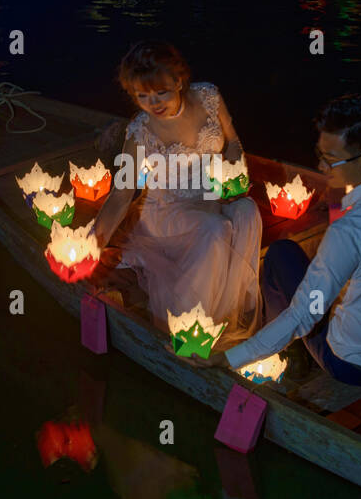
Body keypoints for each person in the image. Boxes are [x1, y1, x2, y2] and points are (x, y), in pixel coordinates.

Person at [218, 94, 361, 386]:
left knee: (281, 254)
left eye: (330, 160)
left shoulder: (350, 229)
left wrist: (228, 358)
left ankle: (292, 354)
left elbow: (303, 314)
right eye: (320, 155)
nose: (323, 168)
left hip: (354, 366)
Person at [93, 41, 261, 343]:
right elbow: (122, 193)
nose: (153, 103)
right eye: (142, 96)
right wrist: (93, 242)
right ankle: (186, 324)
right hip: (167, 210)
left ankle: (232, 308)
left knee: (248, 211)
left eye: (161, 92)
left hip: (214, 195)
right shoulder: (142, 130)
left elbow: (233, 142)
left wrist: (236, 173)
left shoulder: (209, 96)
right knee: (215, 227)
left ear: (179, 81)